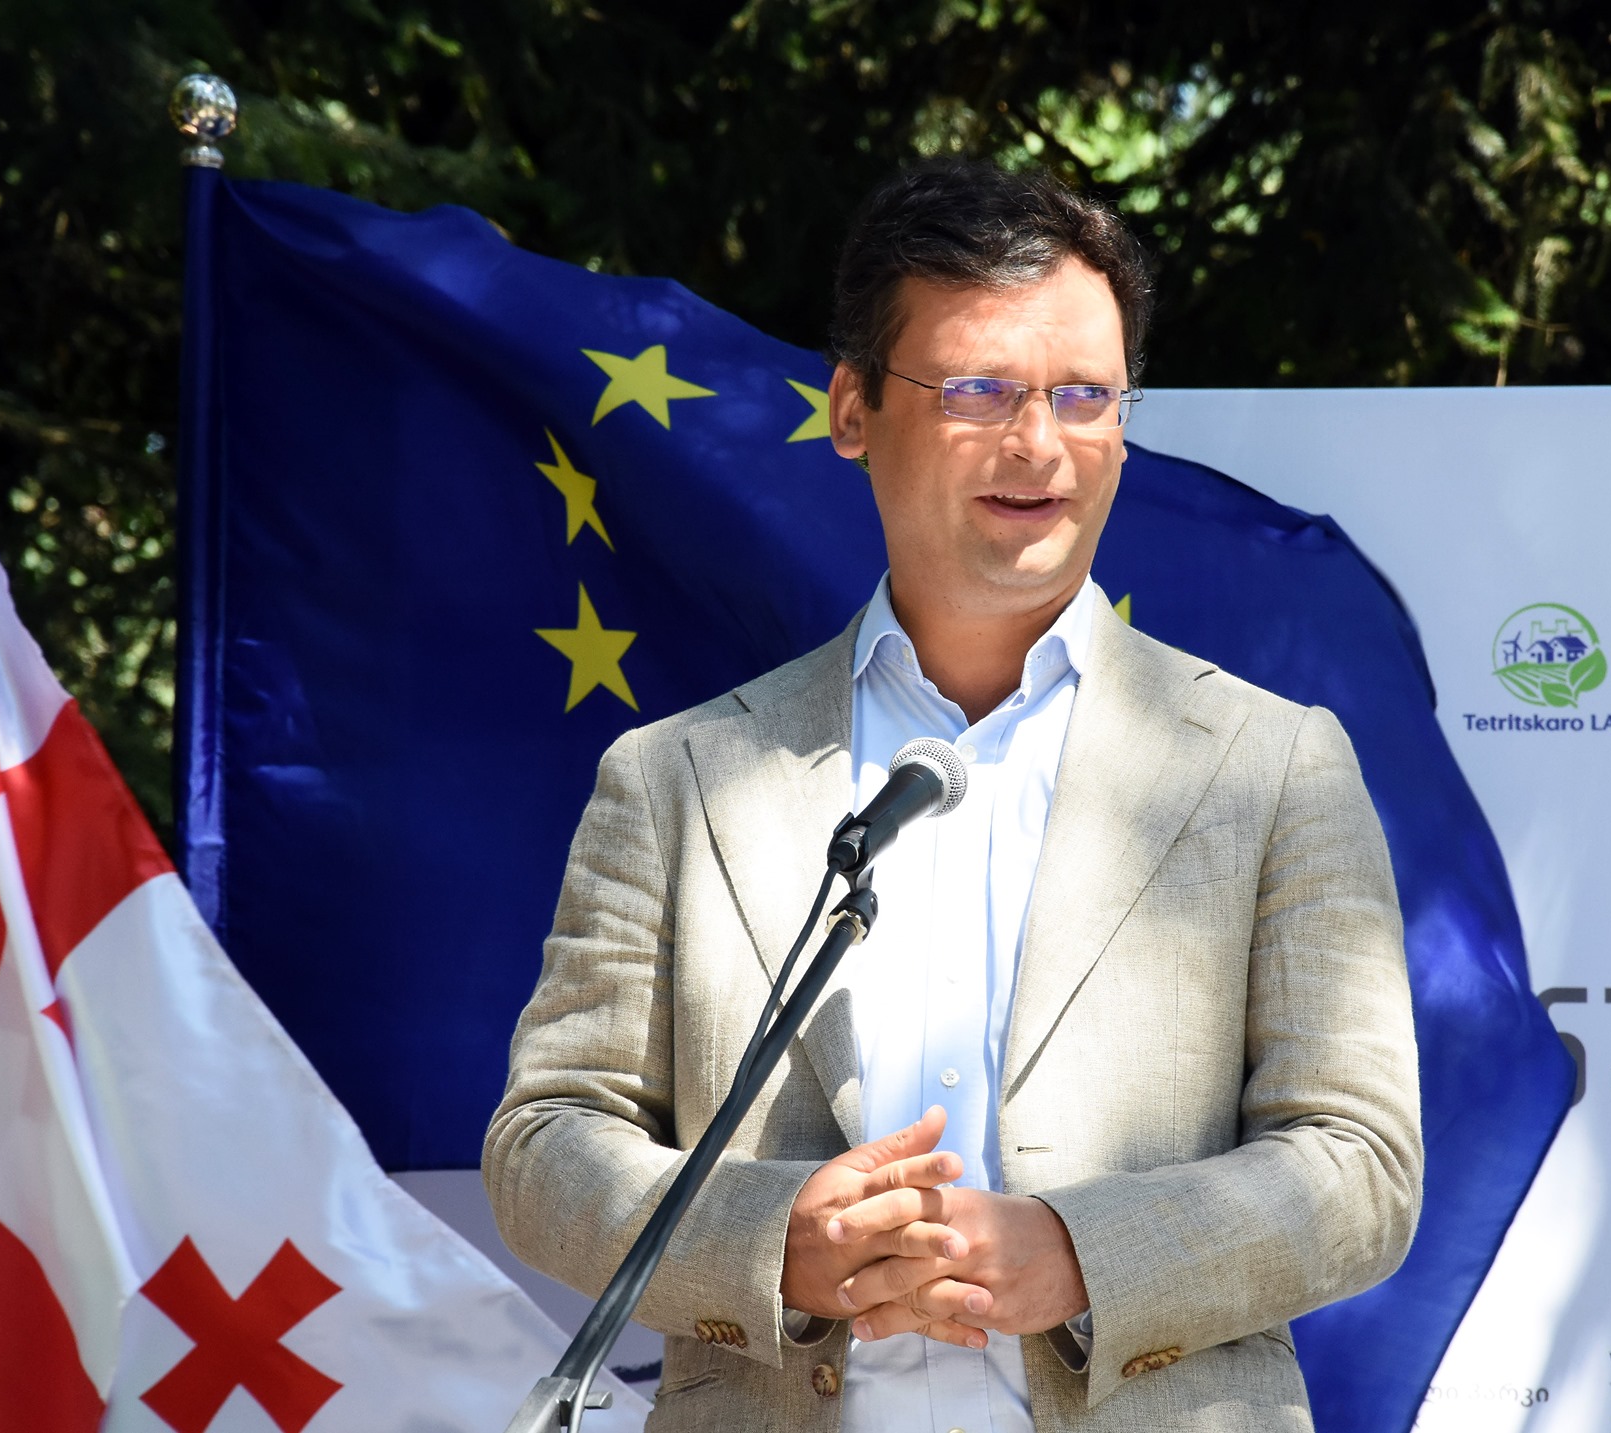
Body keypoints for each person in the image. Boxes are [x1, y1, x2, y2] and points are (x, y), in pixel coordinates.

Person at [483, 159, 1422, 1433]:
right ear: (853, 408)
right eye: (979, 389)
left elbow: (1360, 1164)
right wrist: (772, 1240)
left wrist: (1080, 1254)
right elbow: (545, 1144)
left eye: (1084, 395)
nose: (1039, 444)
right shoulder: (676, 777)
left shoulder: (1268, 765)